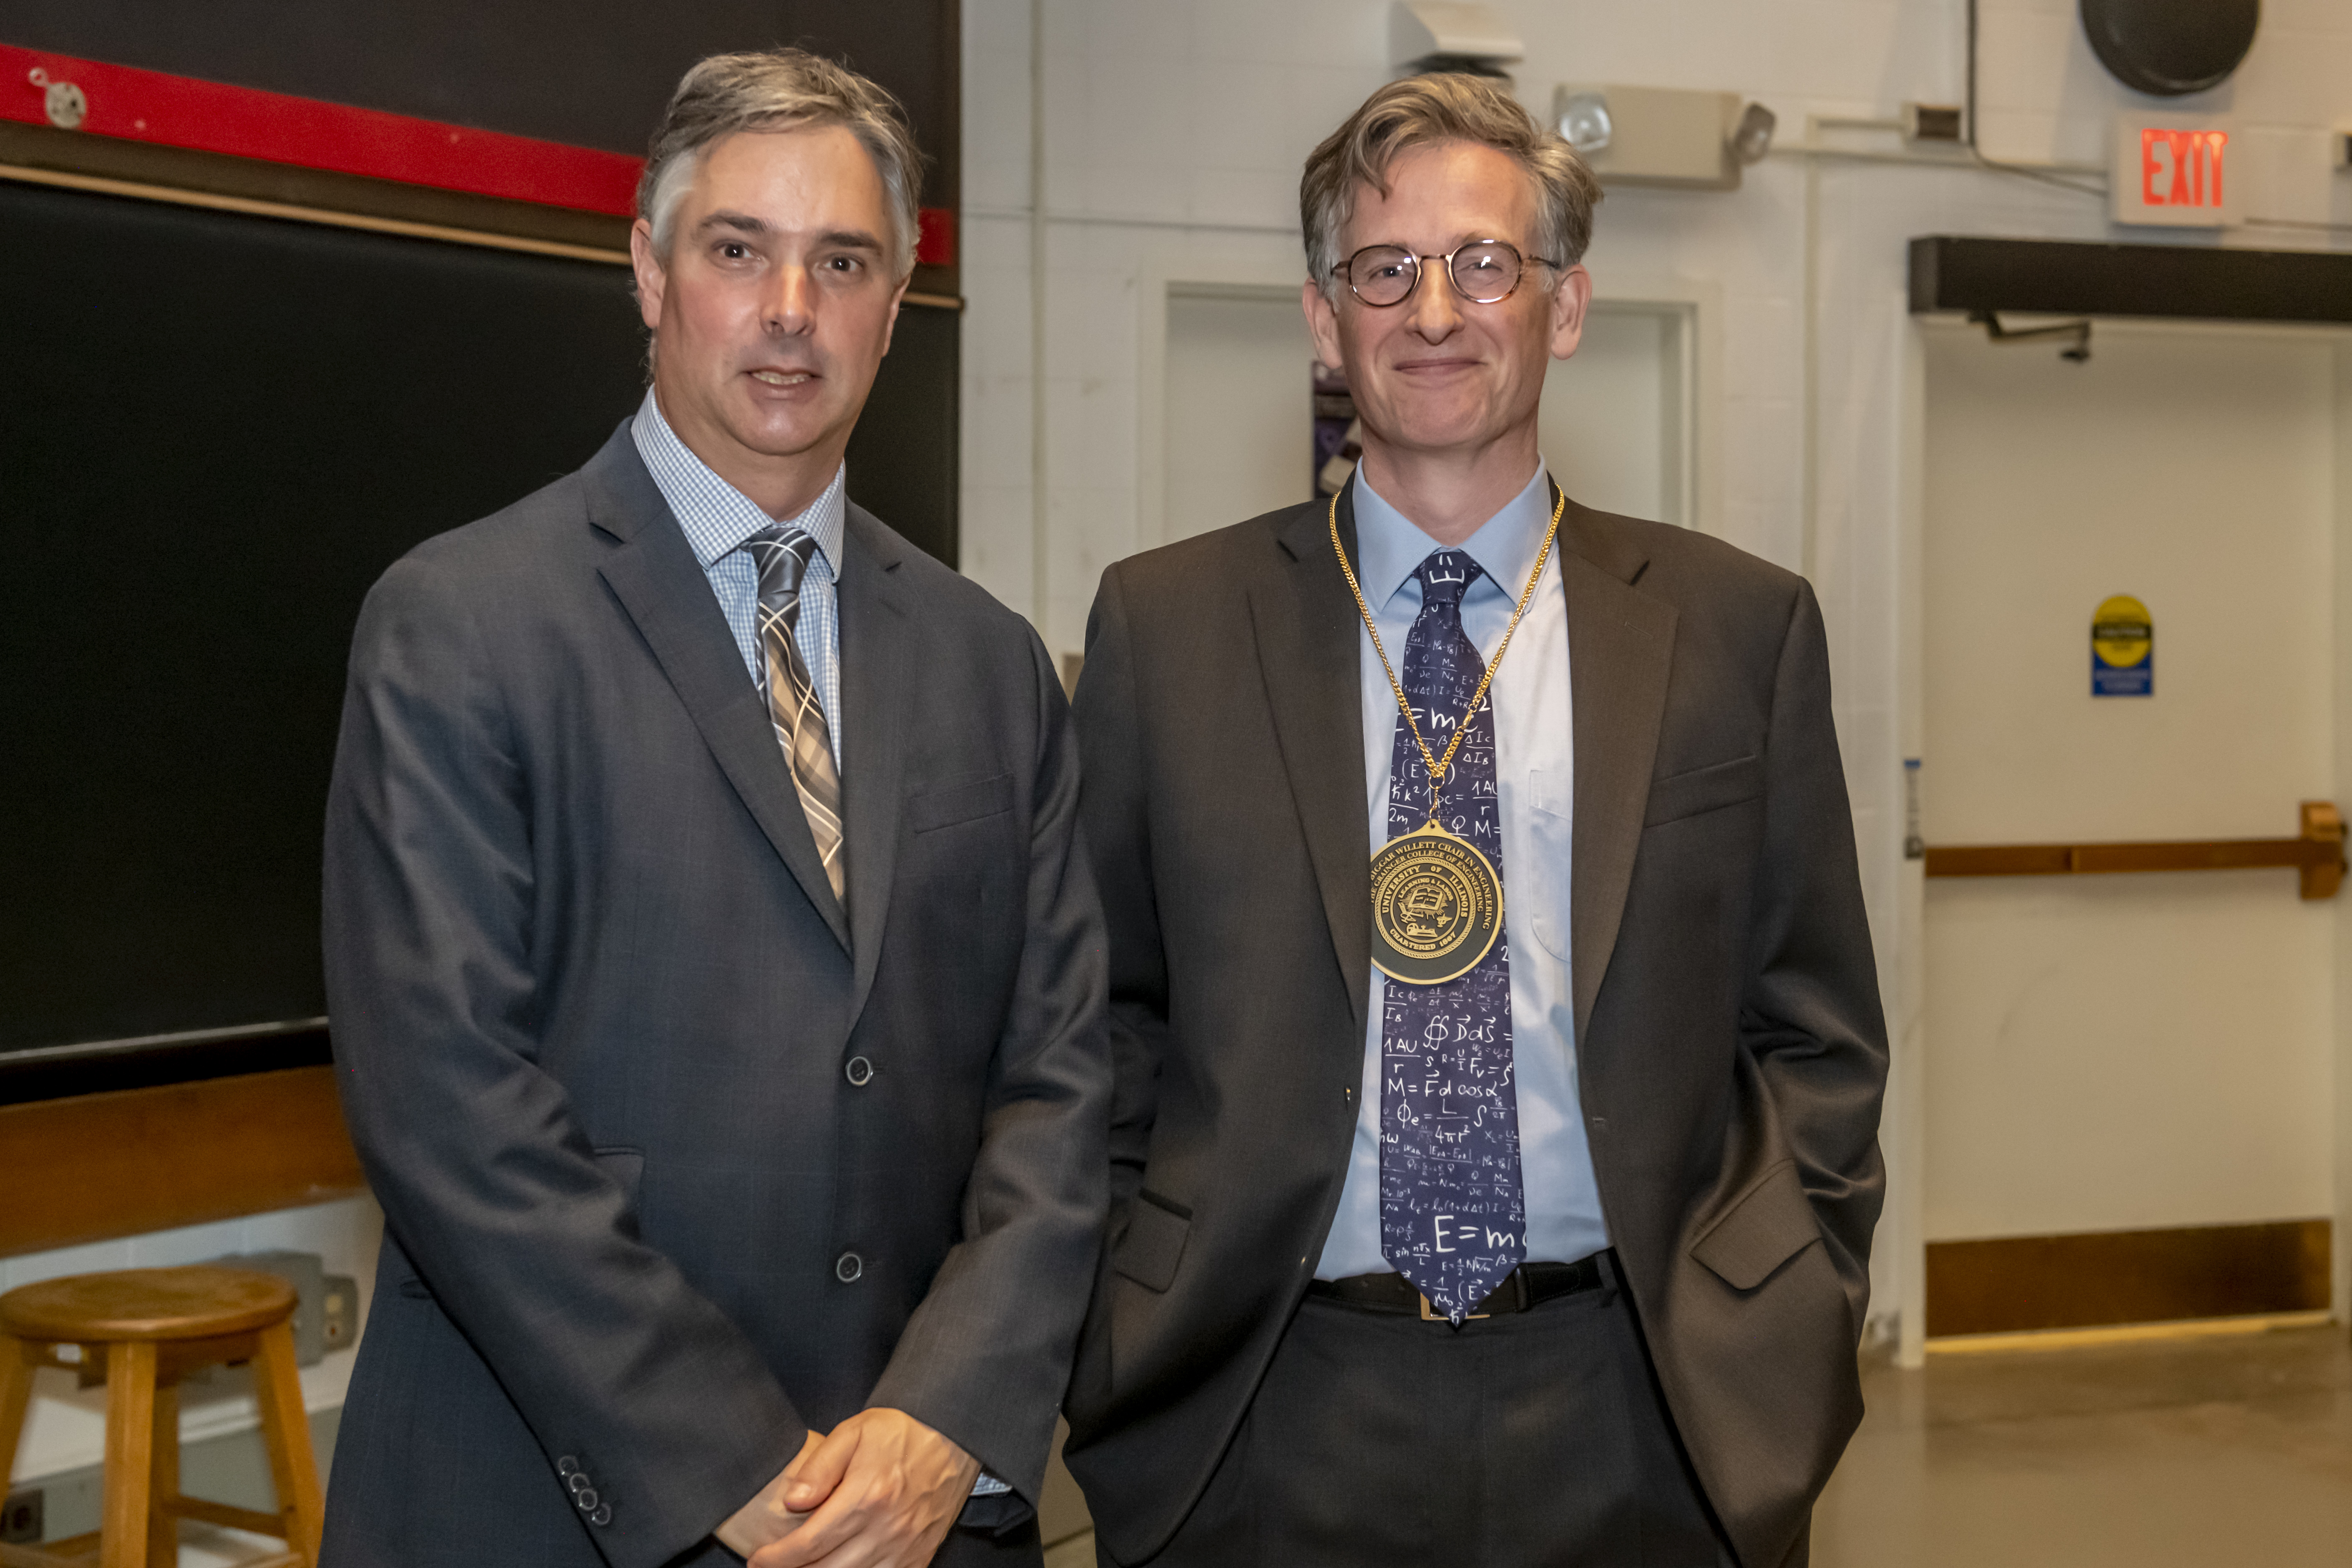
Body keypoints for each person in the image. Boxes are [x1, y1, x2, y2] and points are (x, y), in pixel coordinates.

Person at [1062, 72, 1886, 1568]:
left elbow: (1815, 1029)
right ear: (1326, 319)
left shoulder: (1737, 629)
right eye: (1385, 269)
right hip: (1262, 1398)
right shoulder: (1166, 628)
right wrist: (1130, 1301)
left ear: (1565, 307)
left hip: (1650, 1399)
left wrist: (1794, 1296)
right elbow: (1098, 1023)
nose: (1434, 309)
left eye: (1486, 263)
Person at [319, 49, 1106, 1568]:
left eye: (844, 261)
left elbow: (1060, 1085)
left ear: (897, 301)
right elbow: (451, 1109)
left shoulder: (988, 662)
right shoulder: (462, 623)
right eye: (739, 249)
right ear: (649, 271)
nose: (792, 309)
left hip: (917, 1509)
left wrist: (951, 1417)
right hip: (551, 1500)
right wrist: (734, 1462)